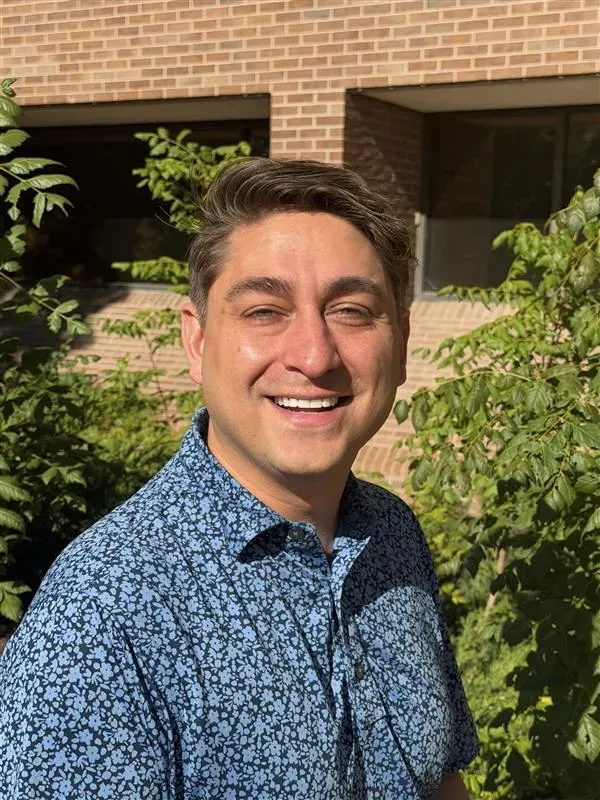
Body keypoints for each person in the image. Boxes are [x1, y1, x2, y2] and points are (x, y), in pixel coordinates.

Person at [0, 159, 478, 799]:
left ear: (401, 342)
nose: (314, 355)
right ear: (197, 342)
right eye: (263, 310)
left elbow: (438, 777)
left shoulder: (393, 535)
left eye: (353, 310)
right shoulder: (103, 614)